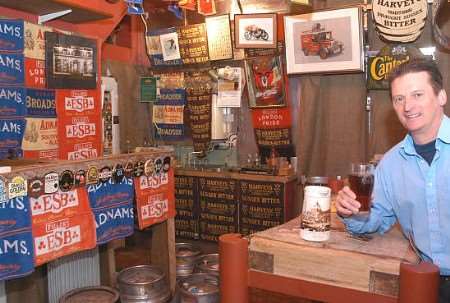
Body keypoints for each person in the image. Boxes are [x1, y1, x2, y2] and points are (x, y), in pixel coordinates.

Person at [336, 58, 450, 302]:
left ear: (441, 96)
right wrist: (352, 212)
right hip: (425, 281)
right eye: (399, 99)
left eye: (417, 94)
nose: (408, 106)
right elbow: (377, 221)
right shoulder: (390, 164)